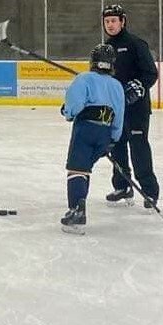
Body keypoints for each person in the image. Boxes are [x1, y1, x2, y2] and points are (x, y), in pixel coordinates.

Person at [58, 44, 125, 235]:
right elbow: (119, 115)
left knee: (77, 169)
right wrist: (113, 138)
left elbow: (75, 105)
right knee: (85, 169)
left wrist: (67, 111)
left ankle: (77, 212)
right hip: (105, 134)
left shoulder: (84, 79)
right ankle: (79, 206)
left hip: (86, 129)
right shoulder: (117, 85)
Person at [101, 4, 160, 209]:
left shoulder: (136, 44)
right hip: (116, 108)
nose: (110, 25)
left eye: (114, 21)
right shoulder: (105, 49)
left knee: (139, 148)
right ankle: (123, 186)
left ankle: (150, 191)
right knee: (117, 146)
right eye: (107, 21)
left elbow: (151, 73)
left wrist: (138, 86)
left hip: (137, 109)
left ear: (123, 21)